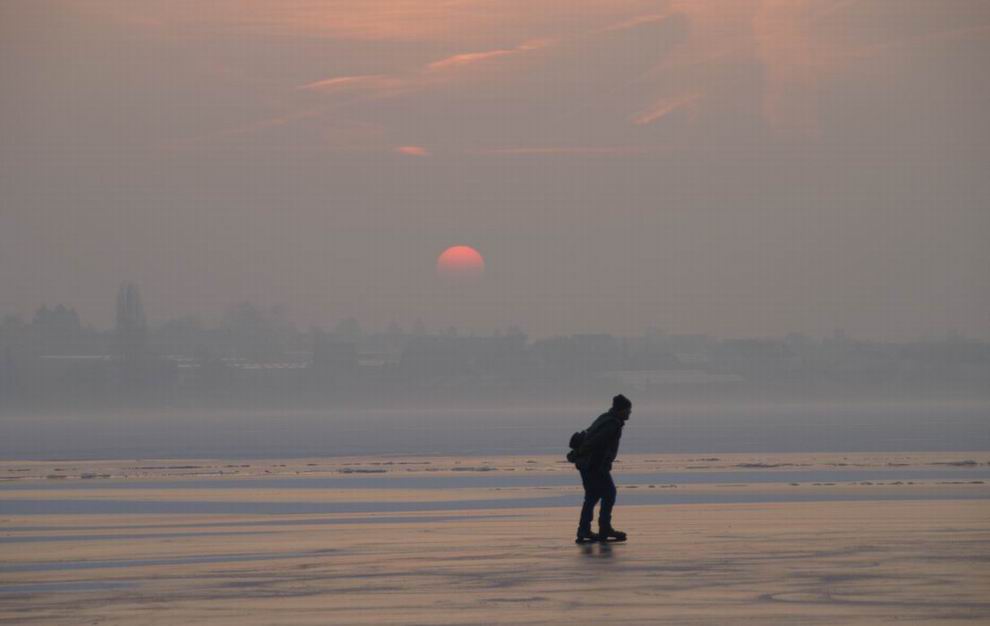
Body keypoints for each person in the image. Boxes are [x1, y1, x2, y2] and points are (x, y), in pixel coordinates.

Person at [568, 394, 631, 543]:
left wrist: (578, 455)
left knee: (592, 495)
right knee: (609, 493)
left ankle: (584, 529)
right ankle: (604, 528)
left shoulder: (605, 418)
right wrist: (582, 454)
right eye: (628, 410)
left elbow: (589, 436)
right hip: (594, 465)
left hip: (588, 464)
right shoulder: (612, 424)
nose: (629, 413)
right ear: (621, 410)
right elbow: (594, 442)